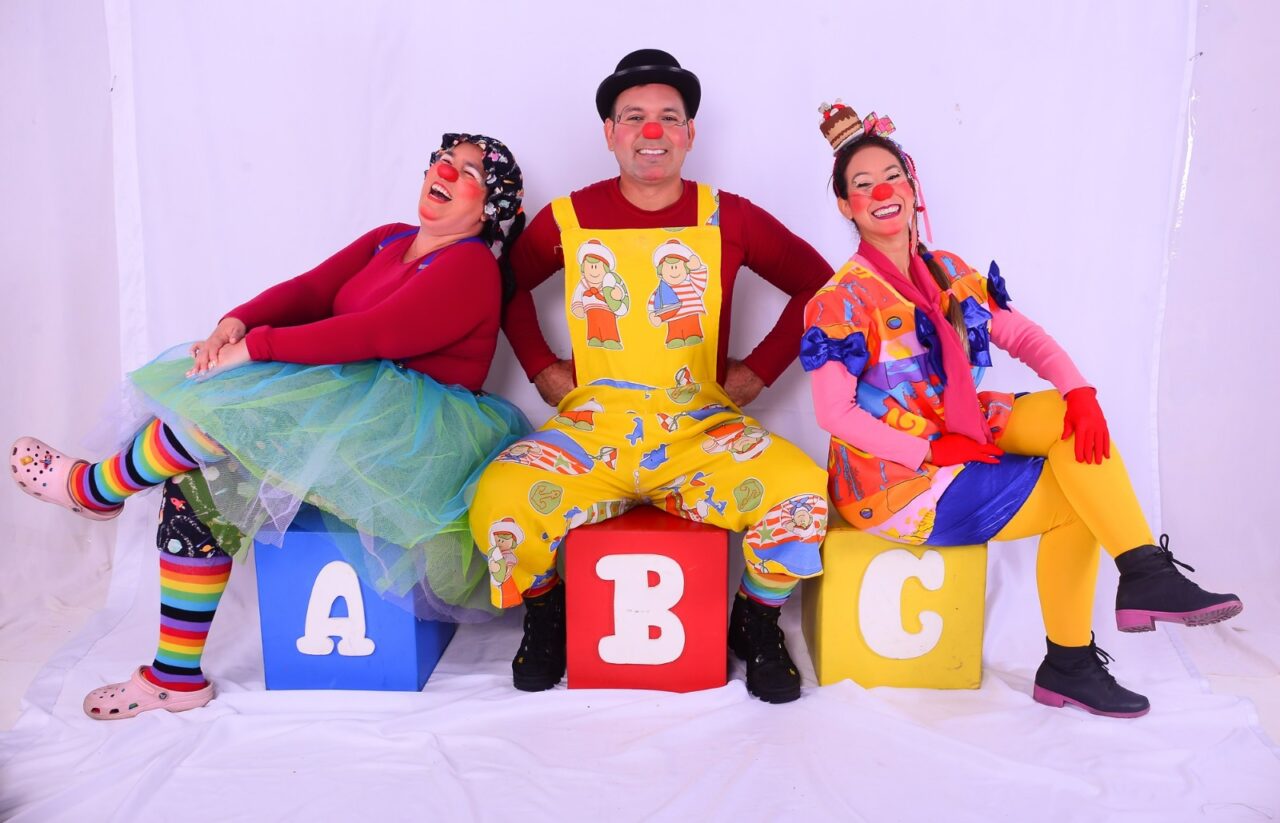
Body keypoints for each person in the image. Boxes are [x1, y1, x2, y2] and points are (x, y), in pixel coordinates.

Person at [10, 133, 529, 719]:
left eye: (469, 173)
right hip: (348, 414)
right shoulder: (390, 237)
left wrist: (257, 348)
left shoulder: (471, 266)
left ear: (488, 210)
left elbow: (377, 333)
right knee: (194, 489)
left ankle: (96, 488)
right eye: (444, 161)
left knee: (231, 411)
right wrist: (238, 321)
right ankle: (174, 679)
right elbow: (312, 289)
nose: (446, 172)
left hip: (413, 441)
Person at [803, 102, 1242, 717]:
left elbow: (1022, 335)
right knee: (1079, 503)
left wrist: (1080, 391)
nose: (882, 191)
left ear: (912, 185)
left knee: (1069, 420)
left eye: (892, 176)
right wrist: (928, 449)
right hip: (897, 478)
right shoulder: (839, 301)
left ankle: (1143, 570)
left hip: (962, 424)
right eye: (862, 183)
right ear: (846, 206)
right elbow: (836, 414)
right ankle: (1070, 662)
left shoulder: (948, 271)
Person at [469, 50, 834, 704]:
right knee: (498, 498)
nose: (653, 131)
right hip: (591, 436)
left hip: (701, 435)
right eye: (634, 116)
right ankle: (546, 612)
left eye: (669, 116)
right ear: (609, 133)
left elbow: (818, 286)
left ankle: (755, 621)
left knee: (801, 492)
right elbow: (503, 283)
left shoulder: (729, 216)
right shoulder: (569, 217)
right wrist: (541, 368)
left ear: (690, 133)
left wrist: (758, 373)